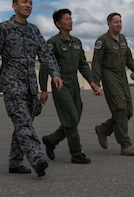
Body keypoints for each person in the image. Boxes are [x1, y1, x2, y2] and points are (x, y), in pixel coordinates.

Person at [0, 0, 63, 177]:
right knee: (23, 122)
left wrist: (55, 74)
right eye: (24, 2)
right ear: (14, 5)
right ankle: (37, 158)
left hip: (30, 86)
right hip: (12, 84)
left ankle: (15, 163)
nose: (28, 5)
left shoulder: (34, 30)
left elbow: (46, 54)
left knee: (23, 123)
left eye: (31, 2)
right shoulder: (4, 28)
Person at [39, 8, 101, 164]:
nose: (70, 21)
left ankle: (51, 140)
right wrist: (44, 89)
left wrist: (92, 82)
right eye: (66, 19)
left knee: (74, 116)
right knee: (71, 118)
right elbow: (45, 67)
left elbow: (83, 65)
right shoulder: (53, 43)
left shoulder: (77, 43)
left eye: (71, 18)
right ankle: (76, 153)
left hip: (74, 83)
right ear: (58, 23)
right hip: (60, 84)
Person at [92, 12, 134, 156]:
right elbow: (96, 63)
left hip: (122, 76)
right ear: (108, 24)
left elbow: (128, 58)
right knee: (120, 108)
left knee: (128, 111)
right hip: (109, 75)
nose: (119, 24)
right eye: (116, 22)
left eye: (120, 21)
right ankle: (125, 144)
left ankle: (103, 129)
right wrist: (96, 82)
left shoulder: (122, 39)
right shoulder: (102, 41)